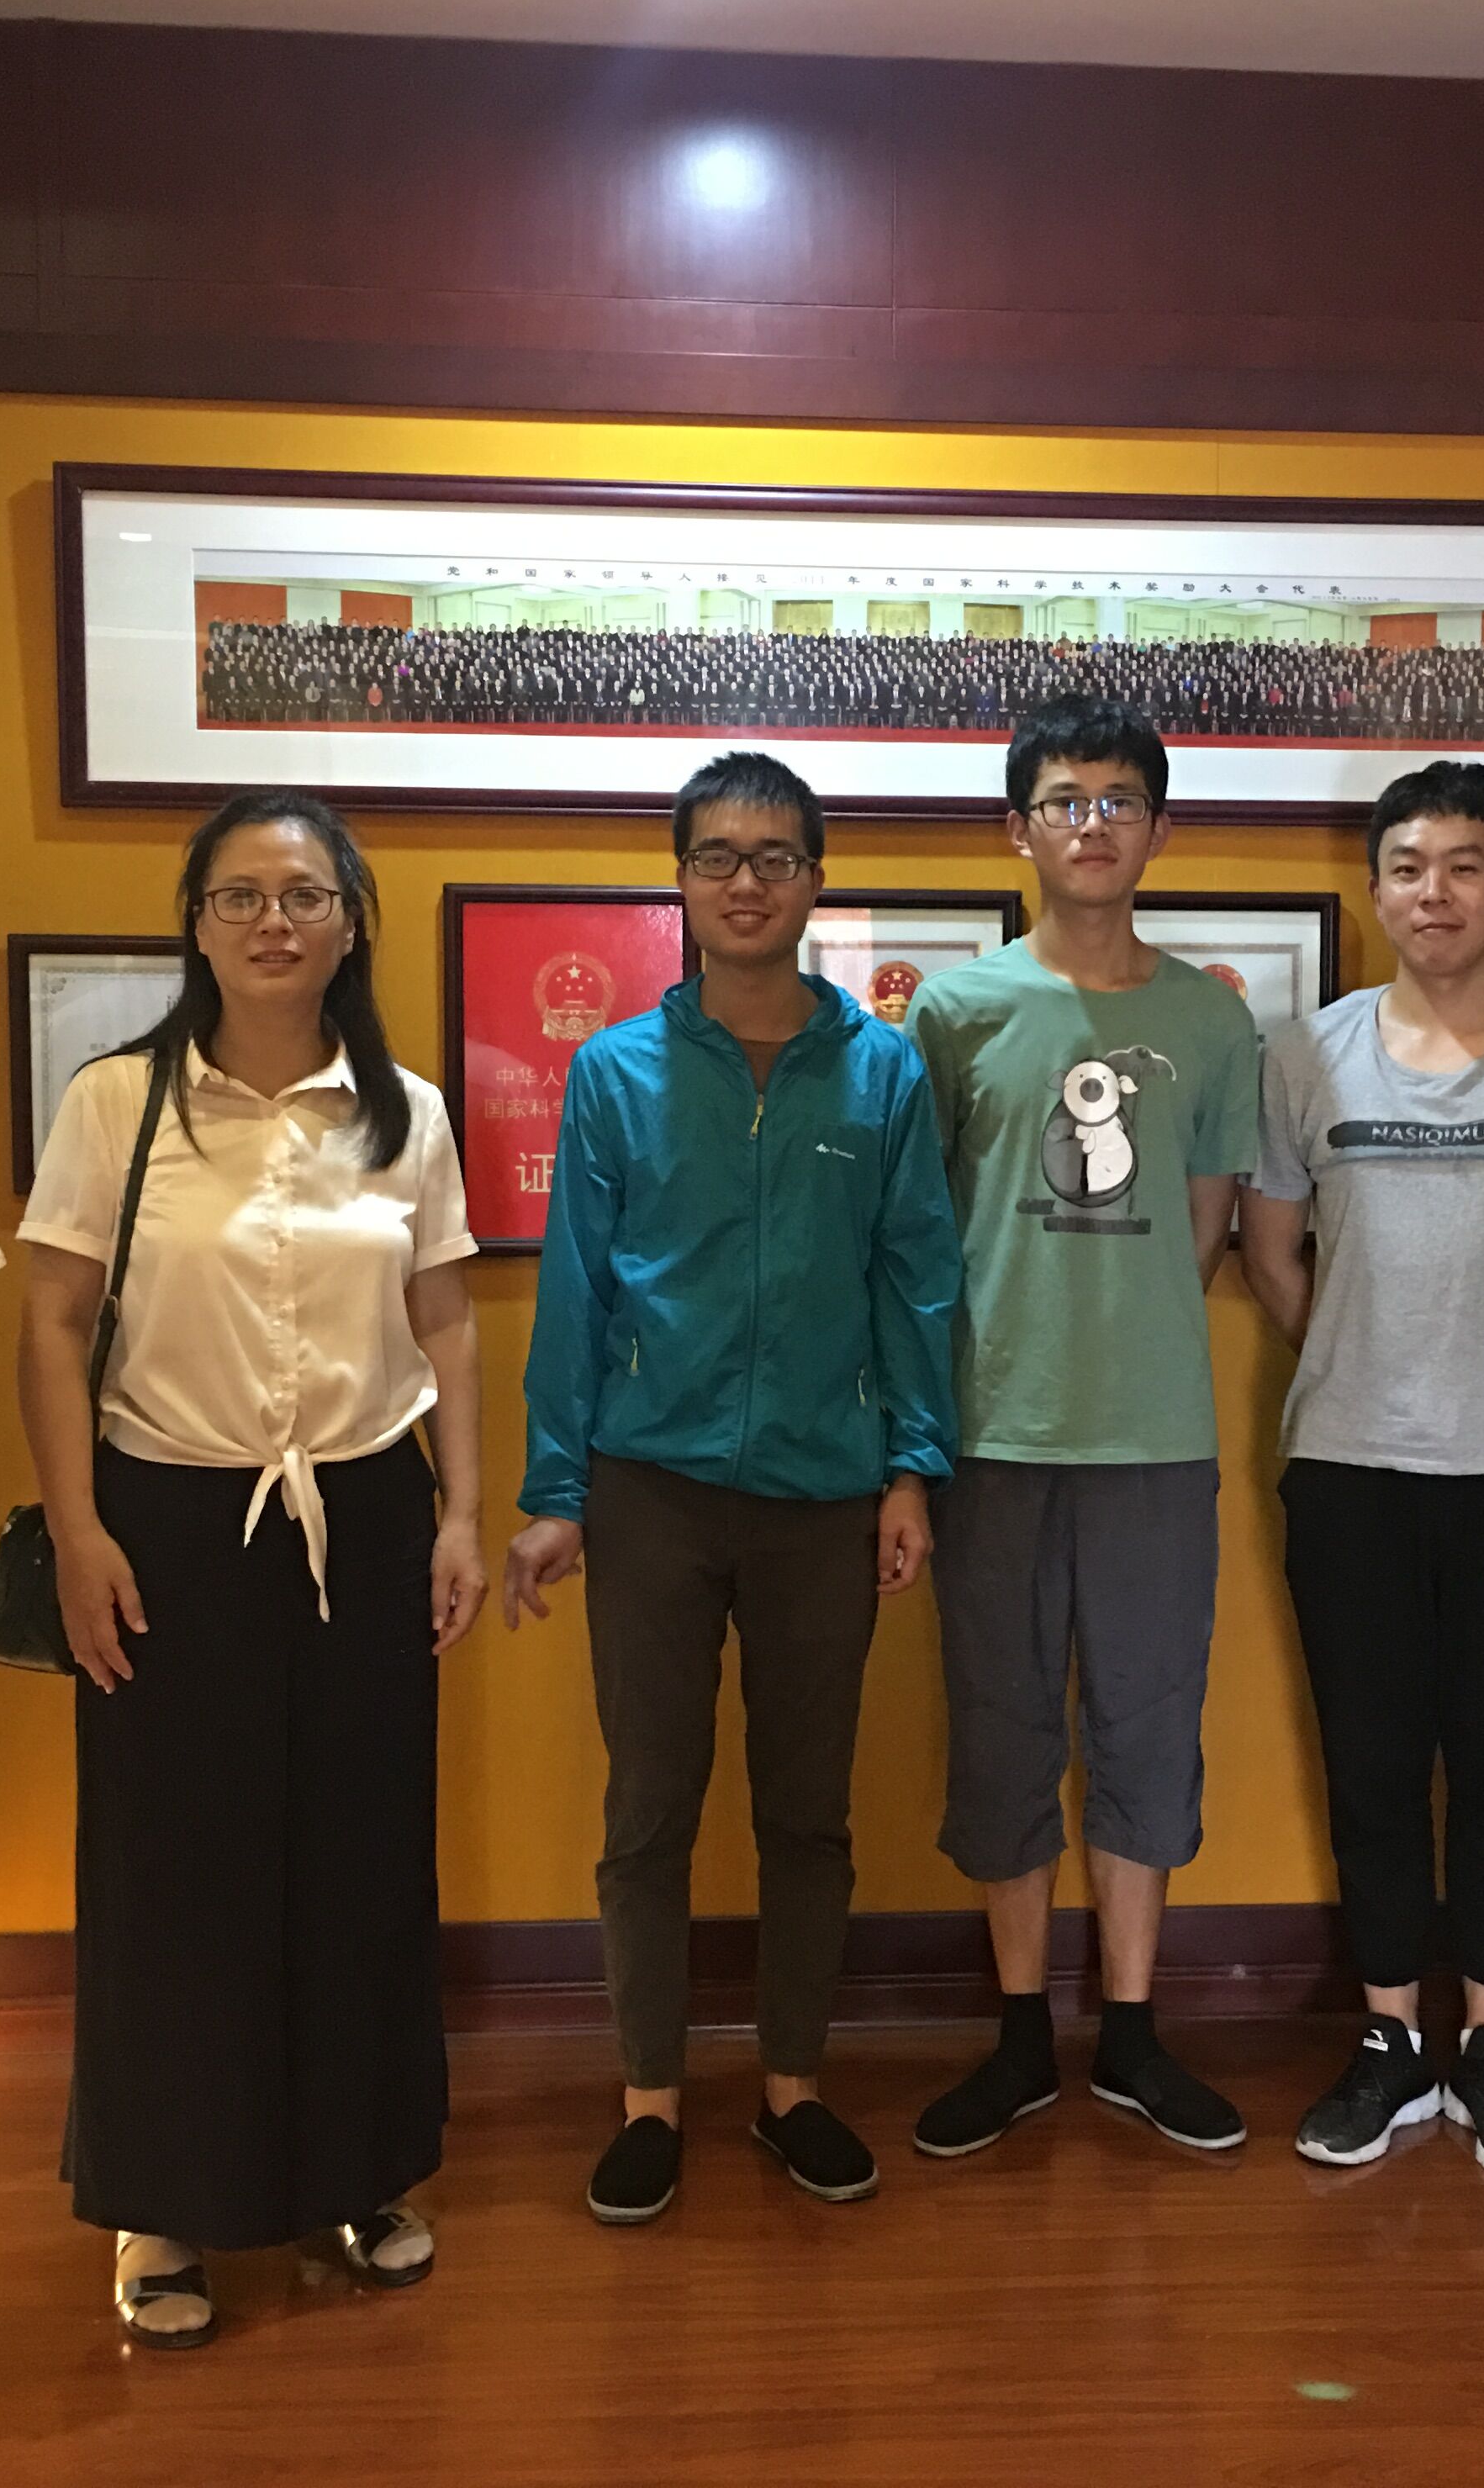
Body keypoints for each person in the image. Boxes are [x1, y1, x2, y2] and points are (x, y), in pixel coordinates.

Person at [16, 790, 484, 2348]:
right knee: (176, 1871)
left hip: (366, 1514)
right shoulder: (119, 1104)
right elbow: (52, 1324)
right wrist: (77, 1528)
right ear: (198, 924)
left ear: (351, 921)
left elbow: (445, 1321)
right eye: (240, 896)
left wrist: (464, 1514)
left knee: (361, 1859)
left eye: (303, 894)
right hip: (166, 1522)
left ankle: (360, 2171)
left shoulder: (406, 1114)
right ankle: (165, 2202)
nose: (273, 921)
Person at [499, 753, 963, 2226]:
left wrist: (913, 1468)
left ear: (815, 880)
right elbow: (576, 1291)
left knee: (807, 1812)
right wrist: (557, 1491)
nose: (746, 881)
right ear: (682, 881)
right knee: (649, 1805)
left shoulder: (881, 1071)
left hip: (828, 1492)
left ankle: (791, 2087)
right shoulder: (617, 1073)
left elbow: (917, 1283)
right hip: (651, 1490)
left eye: (774, 857)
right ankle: (649, 2096)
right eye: (717, 856)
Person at [1235, 762, 1484, 2181]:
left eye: (1465, 866)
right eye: (1407, 866)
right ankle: (1394, 2034)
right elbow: (1271, 1253)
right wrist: (1365, 1348)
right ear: (1375, 888)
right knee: (1374, 1759)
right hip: (1349, 1465)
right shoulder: (1306, 1056)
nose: (1434, 892)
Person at [902, 695, 1261, 2157]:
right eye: (1065, 800)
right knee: (998, 1729)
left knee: (1147, 1728)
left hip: (1153, 1438)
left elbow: (1206, 1230)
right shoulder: (954, 1013)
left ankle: (1129, 2031)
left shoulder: (1210, 1019)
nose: (1092, 824)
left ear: (1158, 830)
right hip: (992, 1433)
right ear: (1018, 829)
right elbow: (924, 1236)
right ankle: (1016, 2036)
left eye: (1119, 801)